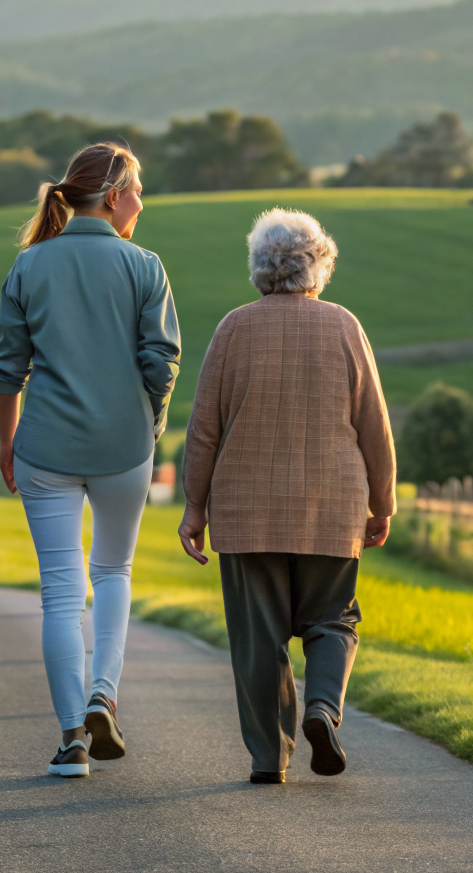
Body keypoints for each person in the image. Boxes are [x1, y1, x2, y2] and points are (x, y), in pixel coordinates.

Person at [179, 208, 396, 784]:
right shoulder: (344, 326)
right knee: (333, 619)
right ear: (317, 266)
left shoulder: (233, 328)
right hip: (333, 507)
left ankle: (268, 759)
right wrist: (384, 501)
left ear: (260, 269)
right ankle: (324, 709)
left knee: (259, 638)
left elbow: (204, 427)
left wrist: (194, 506)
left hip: (246, 510)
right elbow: (373, 422)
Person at [0, 143, 180, 778]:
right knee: (115, 572)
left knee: (60, 591)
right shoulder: (145, 265)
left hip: (43, 446)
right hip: (125, 446)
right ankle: (105, 694)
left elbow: (7, 368)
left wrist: (6, 443)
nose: (144, 204)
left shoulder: (28, 265)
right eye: (140, 191)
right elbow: (162, 361)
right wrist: (148, 426)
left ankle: (73, 739)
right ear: (117, 194)